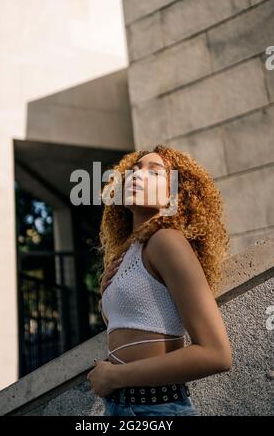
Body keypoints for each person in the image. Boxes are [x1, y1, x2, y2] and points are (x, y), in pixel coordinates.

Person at [87, 144, 232, 417]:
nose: (137, 176)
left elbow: (217, 354)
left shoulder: (166, 241)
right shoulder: (130, 252)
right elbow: (140, 326)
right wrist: (106, 296)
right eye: (134, 170)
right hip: (120, 407)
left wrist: (115, 377)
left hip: (157, 409)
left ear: (175, 194)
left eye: (155, 173)